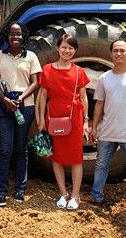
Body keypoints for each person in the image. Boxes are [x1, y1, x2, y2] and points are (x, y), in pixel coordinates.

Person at [89, 39, 126, 216]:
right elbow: (99, 104)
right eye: (115, 51)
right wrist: (93, 127)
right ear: (111, 54)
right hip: (107, 132)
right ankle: (96, 196)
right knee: (101, 165)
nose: (119, 54)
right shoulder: (104, 78)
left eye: (122, 51)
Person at [0, 22, 41, 207]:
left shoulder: (31, 57)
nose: (15, 37)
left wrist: (20, 97)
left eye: (18, 34)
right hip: (4, 107)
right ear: (7, 36)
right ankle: (1, 191)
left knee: (21, 148)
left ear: (23, 36)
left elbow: (35, 83)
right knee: (4, 148)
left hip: (24, 106)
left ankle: (20, 188)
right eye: (12, 34)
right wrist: (5, 100)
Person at [36, 33, 90, 210]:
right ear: (58, 48)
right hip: (53, 115)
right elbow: (43, 95)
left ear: (75, 51)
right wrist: (41, 120)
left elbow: (83, 97)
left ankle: (75, 195)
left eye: (71, 48)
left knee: (76, 158)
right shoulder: (47, 70)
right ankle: (62, 193)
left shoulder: (78, 71)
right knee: (56, 156)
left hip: (74, 115)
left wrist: (85, 122)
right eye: (64, 47)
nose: (67, 50)